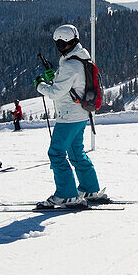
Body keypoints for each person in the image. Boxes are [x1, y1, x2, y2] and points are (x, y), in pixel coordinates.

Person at [34, 24, 106, 208]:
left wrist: (40, 85)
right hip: (82, 114)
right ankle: (90, 189)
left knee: (56, 153)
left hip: (68, 116)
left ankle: (66, 195)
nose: (59, 47)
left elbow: (56, 93)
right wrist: (56, 77)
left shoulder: (70, 65)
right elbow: (70, 86)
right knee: (76, 153)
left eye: (60, 43)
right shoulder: (82, 59)